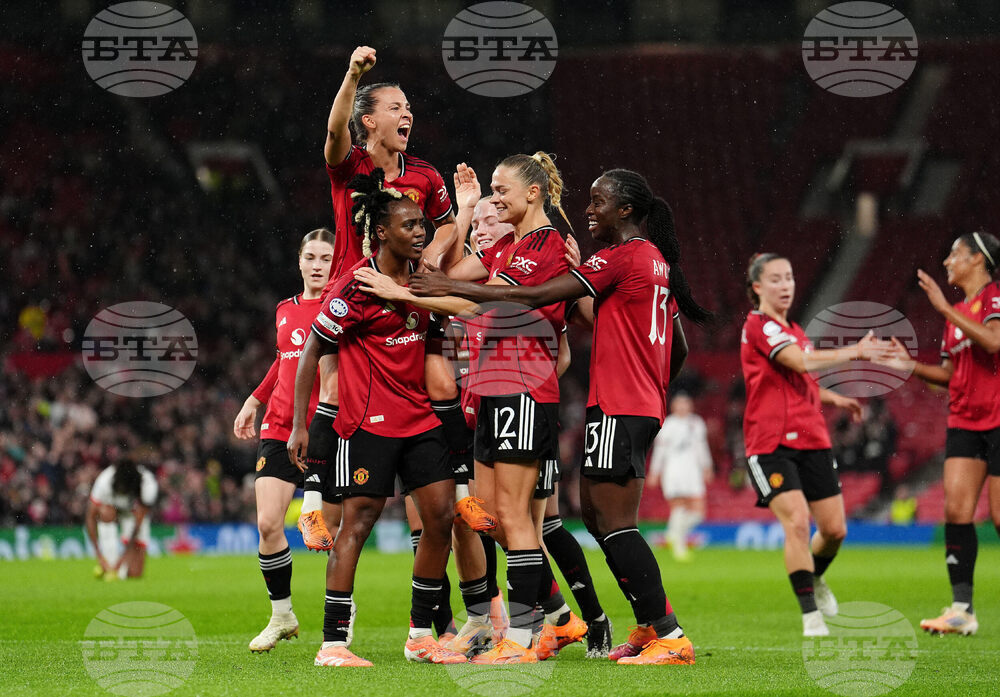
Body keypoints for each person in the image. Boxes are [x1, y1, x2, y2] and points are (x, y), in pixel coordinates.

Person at [360, 167, 710, 665]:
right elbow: (671, 342)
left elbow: (525, 300)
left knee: (597, 523)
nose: (588, 210)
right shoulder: (650, 260)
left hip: (562, 396)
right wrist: (652, 385)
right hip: (619, 400)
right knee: (573, 518)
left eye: (598, 202)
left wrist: (411, 295)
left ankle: (652, 634)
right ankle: (638, 623)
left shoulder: (600, 254)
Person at [356, 152, 581, 664]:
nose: (496, 199)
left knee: (515, 517)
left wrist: (400, 292)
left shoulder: (542, 247)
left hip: (522, 387)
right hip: (492, 391)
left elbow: (486, 304)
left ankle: (522, 637)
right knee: (485, 516)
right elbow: (442, 272)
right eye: (492, 191)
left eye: (502, 190)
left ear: (533, 193)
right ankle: (545, 620)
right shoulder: (508, 247)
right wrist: (462, 210)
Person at [293, 44, 469, 550]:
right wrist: (351, 75)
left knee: (436, 386)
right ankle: (311, 504)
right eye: (395, 107)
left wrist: (440, 246)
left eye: (409, 106)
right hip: (356, 295)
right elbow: (332, 133)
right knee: (332, 391)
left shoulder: (426, 176)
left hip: (408, 300)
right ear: (368, 121)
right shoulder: (349, 167)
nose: (407, 113)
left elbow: (442, 228)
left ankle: (458, 490)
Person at [289, 170, 467, 668]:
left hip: (421, 421)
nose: (421, 232)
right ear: (382, 231)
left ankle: (419, 635)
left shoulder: (421, 279)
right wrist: (303, 426)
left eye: (423, 225)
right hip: (368, 424)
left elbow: (469, 306)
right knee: (357, 525)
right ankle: (333, 645)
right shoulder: (355, 288)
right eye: (410, 225)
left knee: (440, 520)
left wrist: (411, 294)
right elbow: (309, 354)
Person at [741, 252, 889, 637]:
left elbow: (799, 380)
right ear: (757, 287)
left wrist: (833, 399)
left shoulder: (795, 331)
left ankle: (815, 577)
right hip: (771, 443)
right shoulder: (759, 326)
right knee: (797, 522)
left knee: (835, 529)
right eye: (775, 279)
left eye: (789, 277)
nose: (786, 285)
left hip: (813, 439)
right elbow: (801, 364)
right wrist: (855, 351)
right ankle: (810, 615)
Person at [882, 231, 1000, 636]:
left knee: (999, 517)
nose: (947, 261)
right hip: (965, 419)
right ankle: (962, 610)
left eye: (955, 253)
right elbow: (949, 374)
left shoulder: (993, 298)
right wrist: (908, 365)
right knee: (956, 511)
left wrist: (944, 310)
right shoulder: (961, 313)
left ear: (978, 261)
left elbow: (995, 340)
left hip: (999, 417)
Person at [233, 229, 339, 653]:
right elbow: (285, 360)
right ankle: (282, 615)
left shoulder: (343, 308)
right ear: (299, 261)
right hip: (279, 425)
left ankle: (340, 628)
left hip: (327, 426)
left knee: (334, 533)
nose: (317, 265)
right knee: (266, 523)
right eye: (310, 257)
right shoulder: (284, 310)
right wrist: (254, 399)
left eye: (326, 258)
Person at [648, 393, 714, 561]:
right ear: (673, 407)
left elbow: (702, 447)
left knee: (698, 512)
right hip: (673, 470)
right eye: (680, 404)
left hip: (693, 470)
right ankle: (679, 548)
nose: (683, 407)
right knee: (678, 506)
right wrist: (655, 471)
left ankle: (672, 534)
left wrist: (707, 467)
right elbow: (660, 451)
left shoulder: (697, 423)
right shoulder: (668, 425)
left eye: (686, 404)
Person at [85, 458, 158, 580]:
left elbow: (138, 524)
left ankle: (119, 568)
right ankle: (109, 560)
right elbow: (90, 517)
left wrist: (123, 557)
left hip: (132, 514)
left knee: (135, 574)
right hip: (112, 509)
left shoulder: (148, 484)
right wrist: (98, 555)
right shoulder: (104, 481)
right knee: (104, 512)